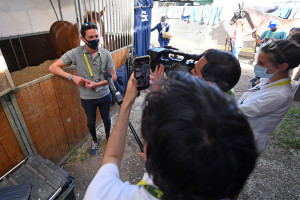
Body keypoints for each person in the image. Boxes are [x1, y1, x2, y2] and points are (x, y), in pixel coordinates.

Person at [83, 71, 257, 200]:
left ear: (148, 148)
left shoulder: (103, 195)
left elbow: (111, 157)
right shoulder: (224, 184)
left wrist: (127, 101)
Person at [49, 22, 116, 156]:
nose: (95, 39)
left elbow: (113, 77)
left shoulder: (106, 54)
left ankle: (108, 137)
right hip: (87, 97)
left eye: (97, 36)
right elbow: (52, 67)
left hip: (104, 94)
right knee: (90, 123)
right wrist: (71, 77)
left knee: (107, 119)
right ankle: (95, 140)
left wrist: (97, 84)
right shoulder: (75, 53)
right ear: (83, 39)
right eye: (91, 37)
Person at [237, 33, 300, 154]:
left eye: (261, 63)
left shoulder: (280, 95)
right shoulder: (268, 80)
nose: (256, 66)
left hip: (246, 141)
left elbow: (241, 111)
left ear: (282, 66)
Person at [251, 19, 287, 86]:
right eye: (270, 26)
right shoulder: (267, 32)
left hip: (272, 53)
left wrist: (274, 40)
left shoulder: (282, 33)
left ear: (278, 25)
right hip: (263, 50)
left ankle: (264, 80)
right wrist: (263, 40)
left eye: (273, 26)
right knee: (259, 64)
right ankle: (256, 78)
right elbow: (259, 41)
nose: (271, 28)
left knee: (267, 66)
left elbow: (283, 43)